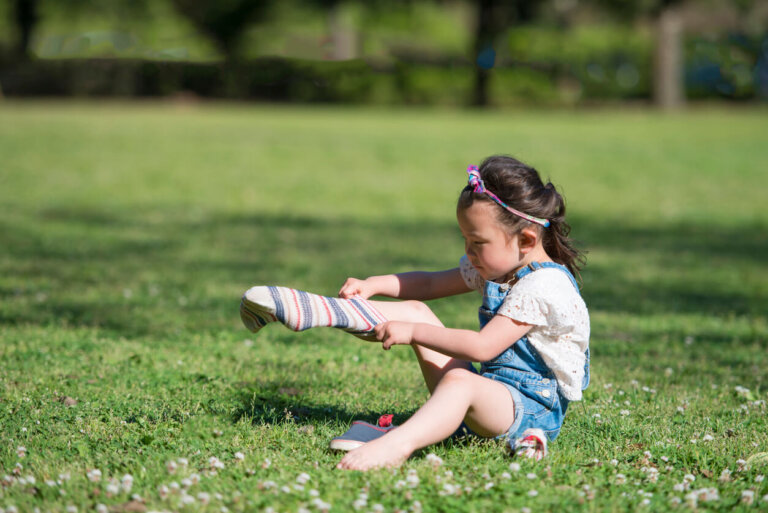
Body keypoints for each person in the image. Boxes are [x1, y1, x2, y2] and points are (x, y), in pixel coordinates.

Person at [240, 155, 590, 471]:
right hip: (491, 395)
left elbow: (483, 348)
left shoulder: (544, 286)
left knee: (460, 381)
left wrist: (412, 332)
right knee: (416, 310)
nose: (468, 252)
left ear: (527, 241)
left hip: (527, 412)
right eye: (465, 239)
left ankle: (396, 444)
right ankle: (319, 310)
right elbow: (428, 285)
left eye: (477, 242)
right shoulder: (500, 266)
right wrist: (374, 284)